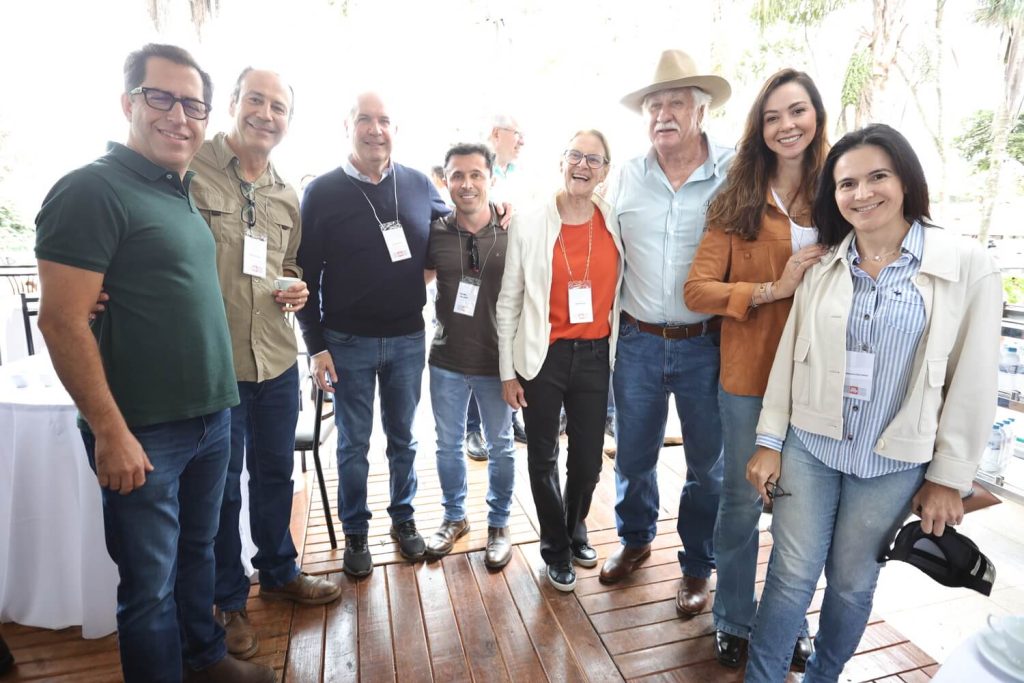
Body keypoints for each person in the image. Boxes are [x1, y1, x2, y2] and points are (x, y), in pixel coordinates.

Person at [35, 44, 273, 682]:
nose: (179, 116)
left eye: (193, 104)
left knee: (198, 554)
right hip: (143, 430)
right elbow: (60, 321)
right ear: (128, 103)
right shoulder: (91, 190)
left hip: (211, 417)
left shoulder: (181, 190)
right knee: (148, 587)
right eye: (160, 97)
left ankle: (205, 660)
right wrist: (110, 433)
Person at [744, 123, 1001, 682]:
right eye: (846, 184)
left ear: (905, 180)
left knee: (852, 582)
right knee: (789, 575)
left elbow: (974, 381)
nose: (861, 194)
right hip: (811, 447)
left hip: (892, 461)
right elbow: (790, 359)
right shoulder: (824, 264)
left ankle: (823, 676)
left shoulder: (966, 265)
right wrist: (769, 441)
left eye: (877, 177)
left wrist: (948, 477)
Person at [189, 67, 340, 661]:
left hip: (275, 360)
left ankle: (279, 570)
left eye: (279, 107)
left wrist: (296, 287)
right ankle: (228, 599)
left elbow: (290, 264)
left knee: (276, 473)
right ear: (233, 103)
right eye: (256, 100)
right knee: (221, 490)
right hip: (214, 366)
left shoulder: (284, 193)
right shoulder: (190, 169)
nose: (266, 115)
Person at [684, 68, 826, 670]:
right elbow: (696, 290)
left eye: (797, 111)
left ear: (816, 117)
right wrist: (773, 288)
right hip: (749, 379)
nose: (786, 125)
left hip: (820, 382)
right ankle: (734, 617)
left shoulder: (840, 192)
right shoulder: (737, 200)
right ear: (759, 129)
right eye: (772, 117)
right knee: (743, 502)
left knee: (801, 512)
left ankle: (787, 621)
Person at [599, 49, 733, 621]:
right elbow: (577, 214)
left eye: (676, 103)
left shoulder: (734, 172)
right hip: (638, 340)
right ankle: (635, 539)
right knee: (633, 455)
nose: (663, 115)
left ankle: (698, 564)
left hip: (707, 344)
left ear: (701, 111)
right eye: (654, 105)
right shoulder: (626, 176)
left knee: (708, 466)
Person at [297, 92, 450, 577]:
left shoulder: (419, 184)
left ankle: (403, 519)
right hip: (346, 343)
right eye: (365, 119)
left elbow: (457, 226)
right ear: (348, 127)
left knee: (404, 439)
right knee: (352, 444)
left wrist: (499, 208)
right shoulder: (322, 192)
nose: (375, 129)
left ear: (395, 130)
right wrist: (316, 347)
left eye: (384, 120)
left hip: (407, 338)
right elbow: (305, 274)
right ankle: (356, 531)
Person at [497, 130, 623, 592]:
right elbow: (508, 302)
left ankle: (574, 528)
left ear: (605, 171)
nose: (582, 165)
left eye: (594, 159)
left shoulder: (614, 221)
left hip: (595, 355)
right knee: (543, 456)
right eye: (575, 155)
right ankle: (555, 547)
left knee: (587, 462)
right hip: (542, 355)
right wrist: (507, 372)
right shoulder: (530, 223)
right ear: (561, 161)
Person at [423, 143, 516, 568]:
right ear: (445, 181)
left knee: (502, 446)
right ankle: (454, 517)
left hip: (498, 363)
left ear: (490, 178)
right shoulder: (435, 232)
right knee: (447, 445)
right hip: (447, 359)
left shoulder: (513, 228)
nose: (467, 184)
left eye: (476, 174)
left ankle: (499, 524)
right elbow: (417, 280)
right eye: (457, 175)